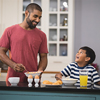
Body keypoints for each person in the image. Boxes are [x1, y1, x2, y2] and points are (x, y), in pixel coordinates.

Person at [0, 3, 48, 83]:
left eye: (39, 17)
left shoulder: (42, 35)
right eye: (35, 16)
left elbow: (43, 57)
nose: (38, 20)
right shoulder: (9, 31)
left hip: (33, 80)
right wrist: (13, 65)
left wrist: (40, 71)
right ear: (26, 13)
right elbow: (1, 52)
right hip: (13, 80)